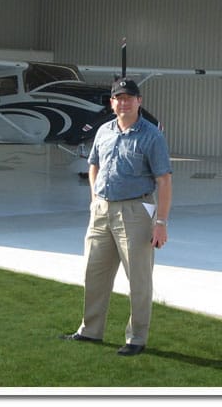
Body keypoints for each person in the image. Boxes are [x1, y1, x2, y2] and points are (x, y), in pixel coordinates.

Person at [61, 77, 172, 356]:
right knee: (94, 273)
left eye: (129, 98)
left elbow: (164, 180)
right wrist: (94, 199)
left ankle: (137, 338)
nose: (123, 102)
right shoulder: (104, 132)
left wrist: (161, 223)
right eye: (118, 98)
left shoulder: (151, 135)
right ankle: (90, 331)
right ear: (112, 103)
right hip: (101, 212)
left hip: (135, 212)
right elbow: (93, 165)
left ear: (139, 102)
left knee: (139, 278)